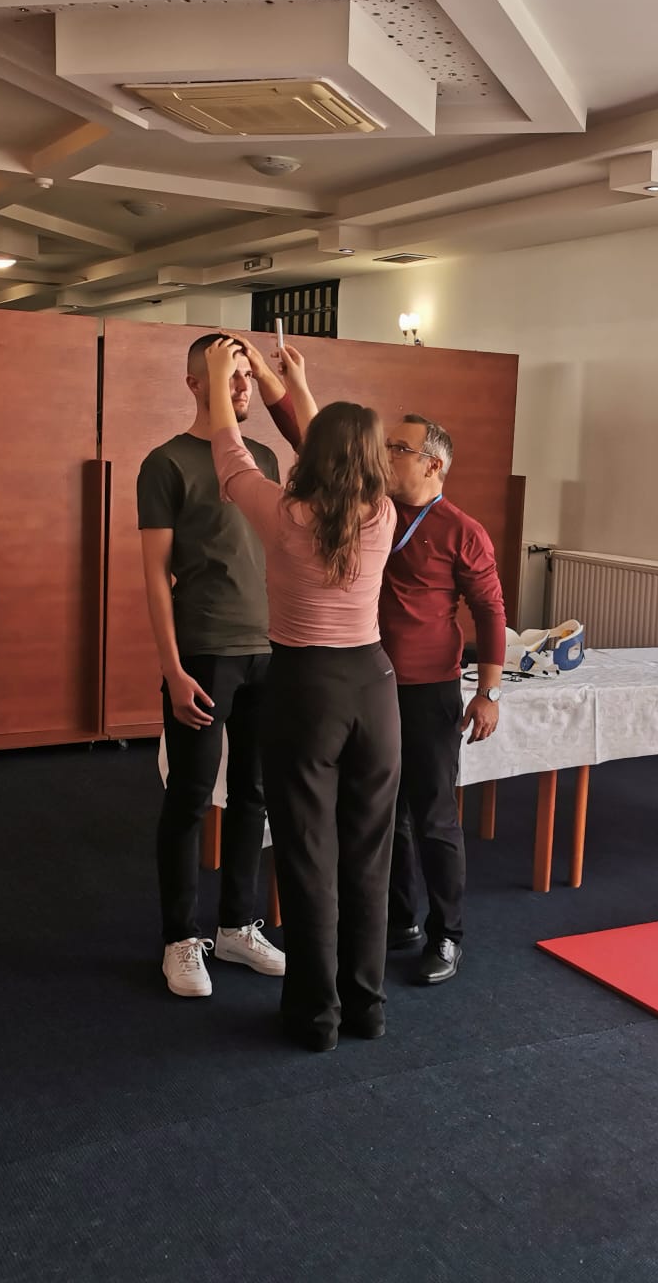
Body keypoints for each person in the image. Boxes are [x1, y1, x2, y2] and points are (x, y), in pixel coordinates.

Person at [207, 337, 399, 1052]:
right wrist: (290, 386)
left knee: (308, 858)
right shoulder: (381, 514)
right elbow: (330, 451)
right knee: (368, 857)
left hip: (306, 691)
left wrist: (221, 377)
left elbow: (230, 455)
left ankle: (316, 1020)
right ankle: (367, 1008)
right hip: (374, 690)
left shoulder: (285, 515)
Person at [137, 333, 311, 998]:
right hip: (204, 652)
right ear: (196, 383)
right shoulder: (165, 463)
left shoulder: (259, 457)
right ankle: (180, 939)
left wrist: (273, 376)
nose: (242, 387)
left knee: (254, 795)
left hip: (268, 651)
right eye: (228, 374)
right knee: (188, 797)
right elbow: (155, 577)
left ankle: (238, 925)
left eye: (246, 375)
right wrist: (172, 667)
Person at [379, 414, 506, 985]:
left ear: (432, 464)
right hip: (370, 686)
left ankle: (447, 934)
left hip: (429, 690)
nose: (387, 455)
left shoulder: (461, 530)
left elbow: (490, 611)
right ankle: (399, 918)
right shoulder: (373, 512)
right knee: (383, 811)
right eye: (387, 445)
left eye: (398, 448)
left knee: (432, 815)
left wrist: (488, 692)